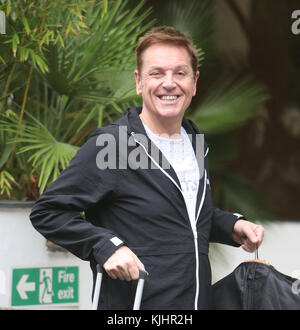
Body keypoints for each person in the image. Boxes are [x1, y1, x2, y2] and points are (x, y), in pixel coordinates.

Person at [30, 26, 264, 310]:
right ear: (139, 82)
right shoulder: (113, 144)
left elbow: (180, 218)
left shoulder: (194, 141)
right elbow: (48, 212)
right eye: (157, 73)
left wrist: (232, 225)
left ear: (194, 82)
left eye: (180, 73)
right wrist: (106, 246)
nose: (169, 83)